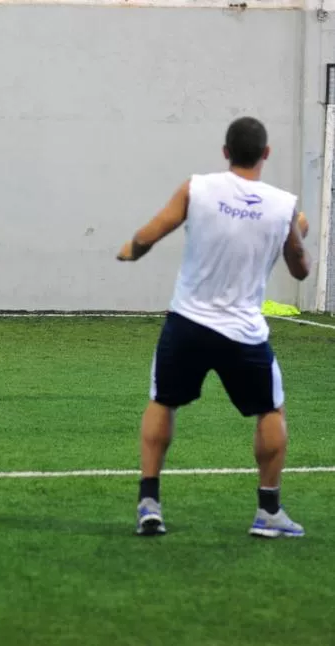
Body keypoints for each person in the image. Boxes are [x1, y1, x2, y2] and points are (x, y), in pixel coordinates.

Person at [116, 116, 311, 539]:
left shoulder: (197, 188)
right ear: (266, 154)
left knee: (162, 402)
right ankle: (268, 512)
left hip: (187, 323)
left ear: (225, 152)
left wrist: (130, 251)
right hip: (244, 333)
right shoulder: (283, 205)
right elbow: (300, 270)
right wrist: (294, 232)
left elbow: (152, 232)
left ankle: (149, 503)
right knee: (270, 411)